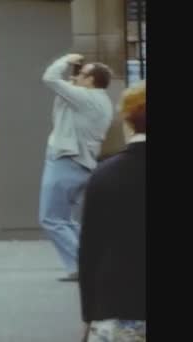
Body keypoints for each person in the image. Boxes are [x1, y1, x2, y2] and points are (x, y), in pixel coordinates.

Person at [78, 81, 146, 342]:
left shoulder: (105, 175)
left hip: (117, 301)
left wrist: (88, 313)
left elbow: (89, 249)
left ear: (128, 122)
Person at [39, 54, 114, 281]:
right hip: (78, 162)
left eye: (81, 74)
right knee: (65, 219)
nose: (76, 76)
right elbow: (62, 100)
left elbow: (50, 78)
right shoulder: (99, 99)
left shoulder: (85, 97)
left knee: (51, 218)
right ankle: (81, 266)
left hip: (67, 161)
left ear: (91, 80)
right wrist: (73, 80)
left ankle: (87, 264)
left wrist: (64, 60)